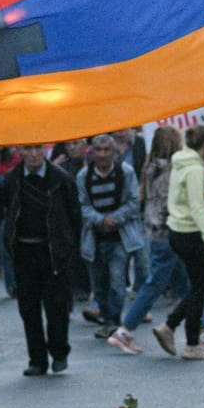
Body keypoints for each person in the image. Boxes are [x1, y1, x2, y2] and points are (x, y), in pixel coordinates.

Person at [0, 143, 82, 375]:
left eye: (38, 149)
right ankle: (37, 359)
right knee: (29, 308)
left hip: (53, 251)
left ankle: (59, 351)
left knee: (57, 307)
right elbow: (6, 212)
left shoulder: (61, 179)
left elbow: (74, 215)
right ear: (20, 151)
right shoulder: (13, 179)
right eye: (28, 149)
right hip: (24, 251)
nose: (34, 154)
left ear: (45, 151)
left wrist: (68, 248)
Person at [110, 127, 186, 356]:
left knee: (188, 286)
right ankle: (125, 330)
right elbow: (167, 205)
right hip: (170, 233)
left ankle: (202, 331)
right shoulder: (171, 172)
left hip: (155, 232)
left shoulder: (150, 169)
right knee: (154, 285)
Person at [154, 126, 204, 361]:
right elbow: (196, 208)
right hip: (190, 232)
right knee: (202, 285)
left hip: (177, 230)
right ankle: (190, 342)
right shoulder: (194, 169)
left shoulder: (181, 162)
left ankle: (172, 327)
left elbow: (184, 197)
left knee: (199, 285)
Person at [77, 134, 143, 333]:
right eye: (99, 150)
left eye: (107, 150)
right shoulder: (83, 176)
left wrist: (115, 218)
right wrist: (100, 220)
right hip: (95, 237)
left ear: (114, 152)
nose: (103, 154)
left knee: (117, 280)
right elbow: (82, 205)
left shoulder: (126, 173)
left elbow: (134, 202)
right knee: (100, 283)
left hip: (120, 236)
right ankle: (105, 317)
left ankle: (114, 320)